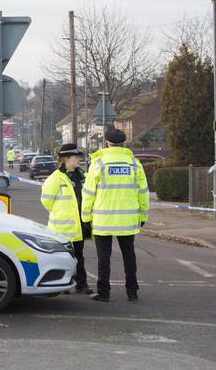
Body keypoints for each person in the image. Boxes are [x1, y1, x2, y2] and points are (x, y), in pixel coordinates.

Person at [81, 128, 149, 302]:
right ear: (123, 144)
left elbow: (88, 194)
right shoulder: (134, 164)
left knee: (103, 258)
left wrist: (86, 217)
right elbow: (143, 193)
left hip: (103, 221)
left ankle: (104, 293)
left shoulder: (98, 164)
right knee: (129, 255)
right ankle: (132, 291)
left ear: (106, 143)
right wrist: (142, 216)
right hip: (127, 221)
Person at [41, 143, 93, 294]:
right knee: (64, 258)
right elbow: (46, 201)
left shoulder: (82, 175)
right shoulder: (55, 178)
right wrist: (61, 212)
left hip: (79, 225)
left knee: (79, 256)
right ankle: (64, 284)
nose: (79, 160)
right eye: (76, 157)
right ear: (66, 158)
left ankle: (81, 285)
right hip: (62, 228)